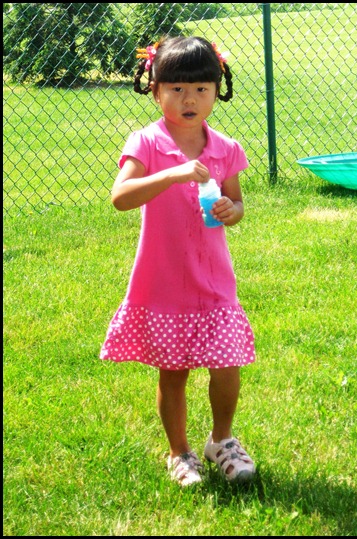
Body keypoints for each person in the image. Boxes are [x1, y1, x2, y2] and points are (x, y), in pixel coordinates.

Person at [100, 36, 256, 487]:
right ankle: (179, 452)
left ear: (217, 91)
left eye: (201, 89)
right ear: (155, 91)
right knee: (174, 372)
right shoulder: (147, 143)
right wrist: (171, 173)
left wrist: (231, 210)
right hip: (165, 282)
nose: (190, 99)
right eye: (177, 89)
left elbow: (237, 204)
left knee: (227, 364)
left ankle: (221, 441)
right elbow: (120, 197)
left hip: (214, 281)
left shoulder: (225, 148)